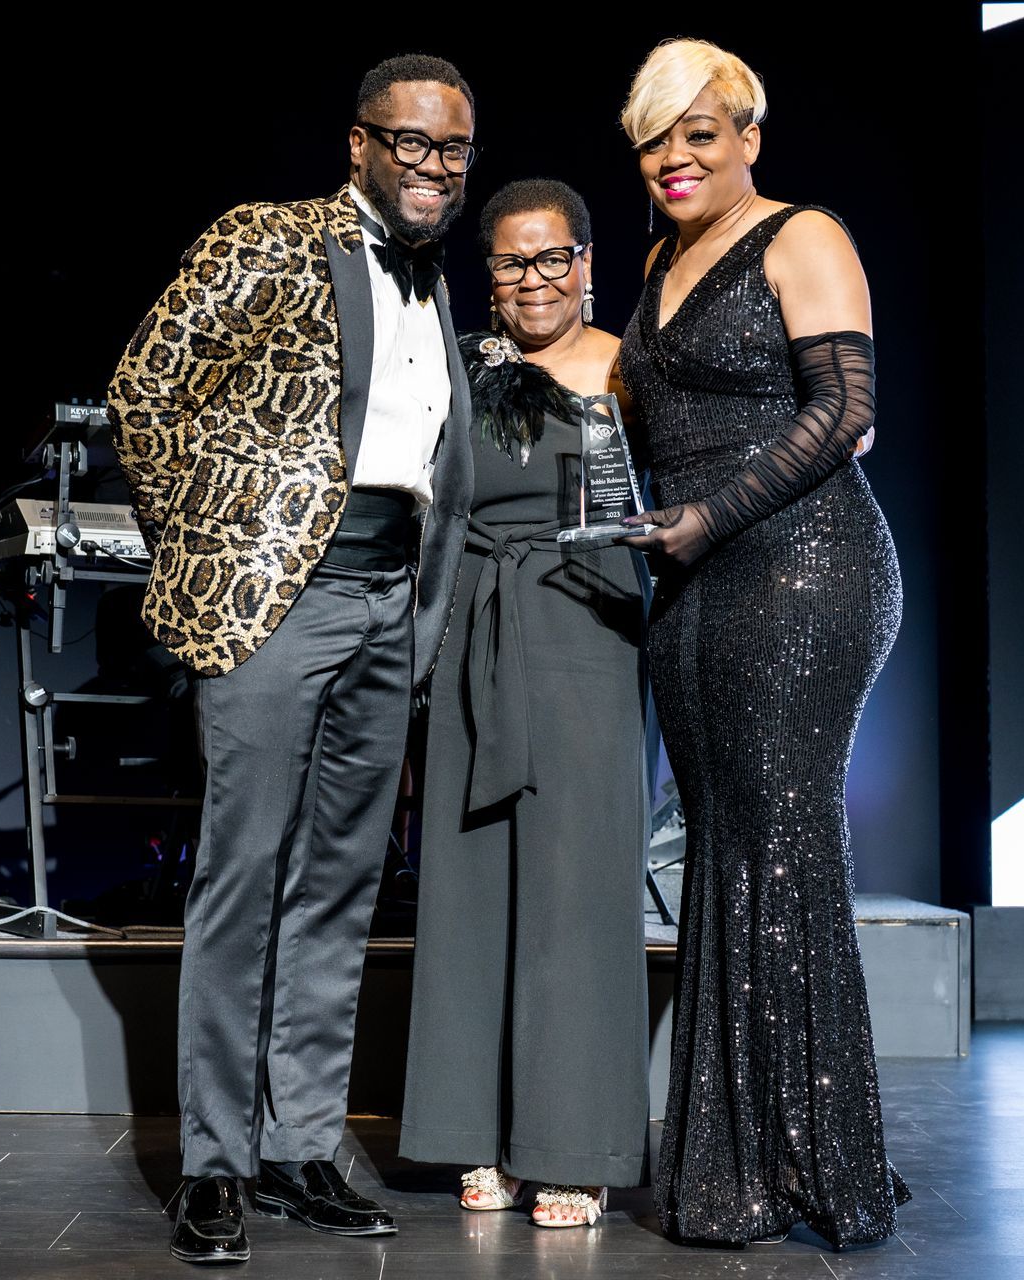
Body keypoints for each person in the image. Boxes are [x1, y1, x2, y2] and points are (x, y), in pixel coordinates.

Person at [108, 54, 477, 1267]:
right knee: (243, 876)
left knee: (340, 886)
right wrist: (217, 547)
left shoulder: (436, 281)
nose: (434, 166)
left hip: (390, 600)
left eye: (452, 148)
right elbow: (146, 394)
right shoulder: (265, 236)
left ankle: (301, 1142)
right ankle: (214, 1161)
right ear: (359, 143)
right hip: (279, 602)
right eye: (412, 142)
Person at [612, 38, 909, 1250]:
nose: (674, 158)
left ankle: (813, 1158)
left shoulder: (800, 236)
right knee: (723, 852)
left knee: (782, 844)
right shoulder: (655, 261)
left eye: (699, 133)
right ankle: (738, 1154)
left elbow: (846, 411)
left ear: (749, 138)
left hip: (803, 566)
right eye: (653, 138)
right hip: (692, 577)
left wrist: (708, 517)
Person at [399, 179, 649, 1230]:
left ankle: (573, 1145)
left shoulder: (632, 366)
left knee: (575, 890)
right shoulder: (460, 367)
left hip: (587, 631)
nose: (534, 279)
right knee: (468, 883)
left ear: (587, 263)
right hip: (473, 628)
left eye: (554, 258)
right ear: (489, 274)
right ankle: (473, 1132)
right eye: (512, 261)